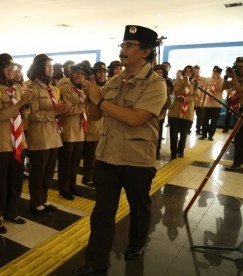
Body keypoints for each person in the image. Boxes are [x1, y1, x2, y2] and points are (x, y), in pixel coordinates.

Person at [74, 25, 166, 275]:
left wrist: (101, 100)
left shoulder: (156, 84)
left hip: (137, 159)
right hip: (107, 156)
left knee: (139, 207)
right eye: (122, 45)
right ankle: (95, 264)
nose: (123, 50)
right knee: (102, 213)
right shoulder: (116, 80)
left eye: (129, 46)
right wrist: (91, 99)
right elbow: (95, 116)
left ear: (145, 51)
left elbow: (136, 118)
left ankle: (136, 244)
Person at [0, 53, 32, 233]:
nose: (12, 71)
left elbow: (23, 115)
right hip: (1, 144)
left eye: (13, 68)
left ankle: (11, 212)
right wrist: (20, 103)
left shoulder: (16, 89)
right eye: (8, 67)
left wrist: (26, 105)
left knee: (16, 180)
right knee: (0, 184)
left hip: (18, 141)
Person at [26, 54, 71, 216]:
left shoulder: (53, 89)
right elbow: (33, 115)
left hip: (53, 136)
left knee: (49, 172)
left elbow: (53, 111)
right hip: (39, 137)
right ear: (39, 68)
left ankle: (44, 199)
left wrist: (61, 109)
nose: (52, 69)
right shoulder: (32, 89)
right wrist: (55, 112)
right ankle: (35, 202)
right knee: (38, 172)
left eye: (51, 66)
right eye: (48, 66)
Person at [58, 63, 89, 200]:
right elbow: (67, 109)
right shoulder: (65, 89)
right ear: (71, 73)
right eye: (77, 72)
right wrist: (84, 106)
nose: (79, 76)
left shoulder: (83, 90)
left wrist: (83, 106)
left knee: (75, 162)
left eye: (82, 74)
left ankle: (72, 186)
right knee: (66, 162)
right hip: (68, 131)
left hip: (80, 131)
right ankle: (63, 188)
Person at [224, 57, 243, 172]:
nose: (239, 69)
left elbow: (240, 91)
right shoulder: (238, 76)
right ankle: (239, 162)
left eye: (241, 67)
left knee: (242, 136)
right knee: (240, 136)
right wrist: (227, 77)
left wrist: (234, 77)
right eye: (237, 66)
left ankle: (240, 161)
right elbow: (224, 87)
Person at [82, 62, 105, 186]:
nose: (102, 74)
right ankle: (87, 177)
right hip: (92, 125)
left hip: (102, 126)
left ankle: (95, 176)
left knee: (99, 155)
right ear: (94, 74)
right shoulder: (89, 87)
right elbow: (86, 104)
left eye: (104, 72)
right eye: (99, 72)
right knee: (91, 155)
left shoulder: (105, 87)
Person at [168, 65, 196, 159]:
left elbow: (196, 97)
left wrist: (185, 98)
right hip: (175, 111)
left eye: (190, 72)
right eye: (186, 71)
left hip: (187, 113)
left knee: (184, 134)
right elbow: (175, 93)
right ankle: (173, 152)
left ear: (192, 74)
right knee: (173, 134)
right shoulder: (178, 82)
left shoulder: (195, 84)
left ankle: (181, 151)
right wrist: (184, 84)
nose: (188, 73)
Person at [153, 65, 172, 159]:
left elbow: (168, 102)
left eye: (161, 72)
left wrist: (161, 112)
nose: (159, 74)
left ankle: (157, 151)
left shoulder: (165, 84)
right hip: (149, 113)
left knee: (158, 133)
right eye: (157, 72)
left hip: (160, 114)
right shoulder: (149, 83)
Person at [200, 66, 223, 141]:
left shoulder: (222, 81)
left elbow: (219, 89)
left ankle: (210, 135)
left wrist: (216, 80)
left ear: (219, 74)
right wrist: (202, 101)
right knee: (204, 120)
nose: (214, 74)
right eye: (213, 72)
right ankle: (203, 134)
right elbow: (205, 91)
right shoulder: (208, 80)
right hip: (207, 104)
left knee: (213, 122)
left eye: (216, 73)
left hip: (216, 105)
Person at [192, 65, 207, 134]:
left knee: (200, 117)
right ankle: (188, 129)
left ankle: (198, 129)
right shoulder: (191, 79)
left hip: (200, 101)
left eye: (197, 70)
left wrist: (203, 100)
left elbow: (206, 90)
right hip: (191, 100)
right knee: (190, 115)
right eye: (194, 70)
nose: (196, 71)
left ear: (199, 70)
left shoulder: (204, 79)